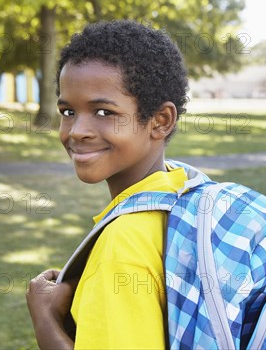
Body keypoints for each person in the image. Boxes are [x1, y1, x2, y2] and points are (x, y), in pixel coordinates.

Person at [26, 20, 190, 349]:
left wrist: (45, 320)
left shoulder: (122, 247)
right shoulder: (184, 188)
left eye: (103, 112)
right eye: (68, 111)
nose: (76, 131)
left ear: (160, 121)